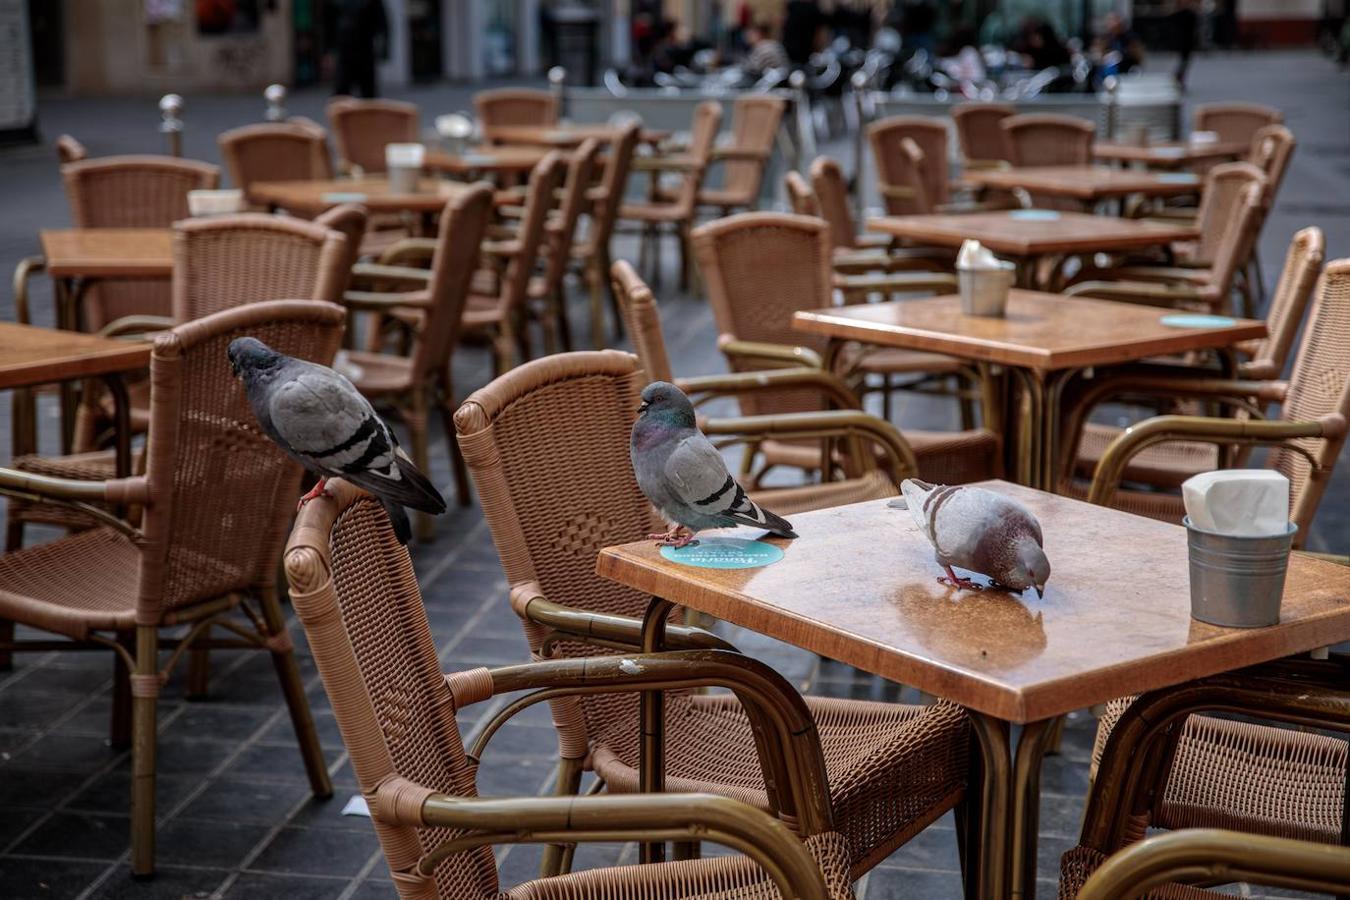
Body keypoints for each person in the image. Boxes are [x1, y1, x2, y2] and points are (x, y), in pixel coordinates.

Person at [333, 0, 388, 98]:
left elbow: (382, 24)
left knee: (368, 92)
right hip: (346, 50)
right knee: (342, 91)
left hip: (364, 50)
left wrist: (384, 49)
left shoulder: (373, 3)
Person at [1172, 0, 1199, 88]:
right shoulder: (1187, 14)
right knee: (1184, 61)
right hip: (1185, 41)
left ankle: (1179, 77)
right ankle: (1178, 77)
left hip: (1187, 41)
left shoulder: (1186, 14)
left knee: (1184, 61)